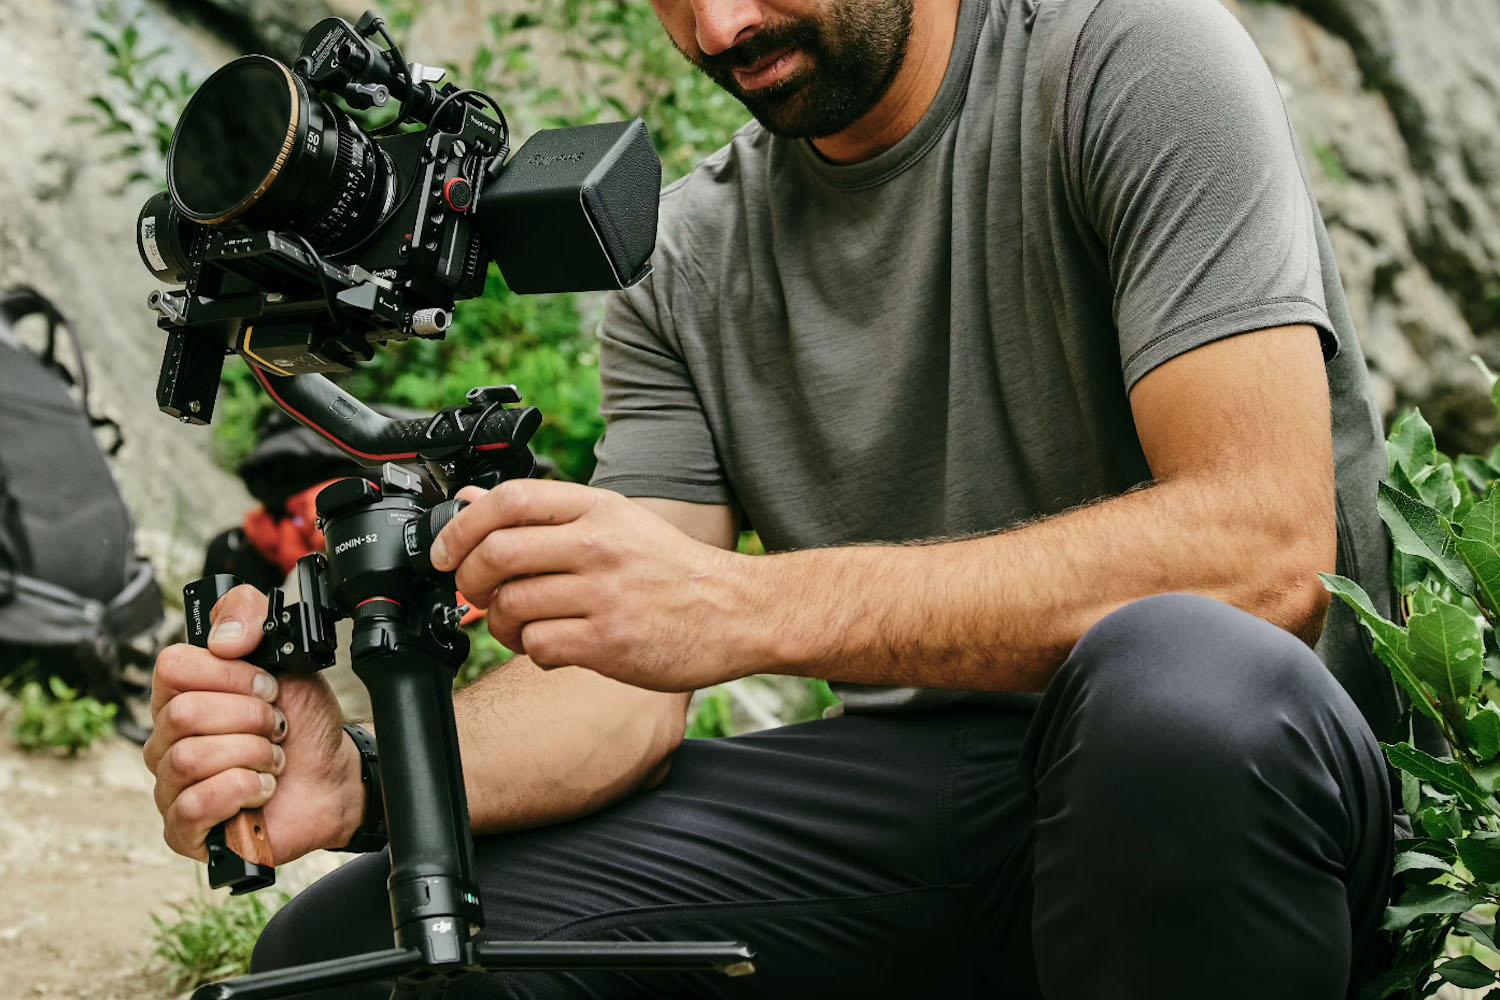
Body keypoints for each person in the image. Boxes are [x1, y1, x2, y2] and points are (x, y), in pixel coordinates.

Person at [142, 0, 1400, 995]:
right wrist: (363, 779)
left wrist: (748, 603)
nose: (719, 26)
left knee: (1181, 691)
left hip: (1219, 794)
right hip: (923, 804)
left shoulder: (1135, 56)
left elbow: (1264, 554)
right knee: (350, 955)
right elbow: (616, 693)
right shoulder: (684, 255)